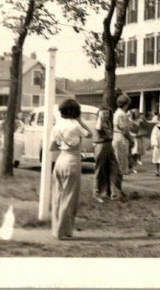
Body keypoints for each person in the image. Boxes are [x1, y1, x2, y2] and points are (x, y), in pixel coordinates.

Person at [49, 98, 93, 239]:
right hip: (72, 161)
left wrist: (63, 144)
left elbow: (52, 147)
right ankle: (63, 230)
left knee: (57, 195)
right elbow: (89, 134)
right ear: (76, 112)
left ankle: (56, 229)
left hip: (60, 161)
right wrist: (80, 120)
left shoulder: (57, 126)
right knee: (69, 197)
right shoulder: (75, 126)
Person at [93, 106, 125, 202]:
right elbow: (98, 128)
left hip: (109, 146)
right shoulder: (99, 123)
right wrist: (100, 117)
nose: (106, 115)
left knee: (116, 170)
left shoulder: (108, 123)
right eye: (104, 113)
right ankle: (97, 193)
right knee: (100, 171)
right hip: (101, 146)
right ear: (99, 114)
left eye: (107, 113)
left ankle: (115, 193)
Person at [112, 95, 133, 177]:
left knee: (120, 160)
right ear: (126, 104)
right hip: (120, 137)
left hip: (118, 136)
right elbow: (124, 129)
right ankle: (117, 184)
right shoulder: (121, 114)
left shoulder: (120, 113)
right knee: (120, 161)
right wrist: (131, 139)